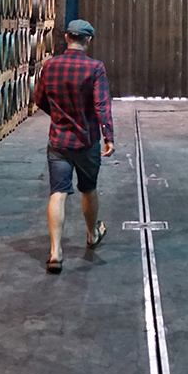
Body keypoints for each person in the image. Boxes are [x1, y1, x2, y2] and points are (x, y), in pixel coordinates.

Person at [33, 19, 115, 274]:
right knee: (88, 189)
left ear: (67, 37)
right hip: (86, 141)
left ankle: (55, 252)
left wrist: (59, 116)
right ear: (88, 40)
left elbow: (39, 99)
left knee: (58, 192)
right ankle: (92, 234)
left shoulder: (50, 65)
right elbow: (102, 104)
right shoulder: (95, 68)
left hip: (58, 141)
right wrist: (108, 136)